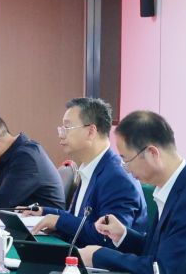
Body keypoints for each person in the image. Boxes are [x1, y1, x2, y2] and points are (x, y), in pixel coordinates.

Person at [81, 110, 186, 274]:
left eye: (127, 160)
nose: (126, 168)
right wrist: (123, 235)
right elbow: (159, 250)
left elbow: (164, 270)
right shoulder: (177, 184)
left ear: (152, 153)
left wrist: (99, 255)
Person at [27, 98, 143, 248]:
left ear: (90, 131)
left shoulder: (117, 177)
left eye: (67, 127)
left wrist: (59, 222)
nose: (61, 135)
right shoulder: (92, 166)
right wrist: (44, 212)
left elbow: (108, 237)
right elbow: (79, 218)